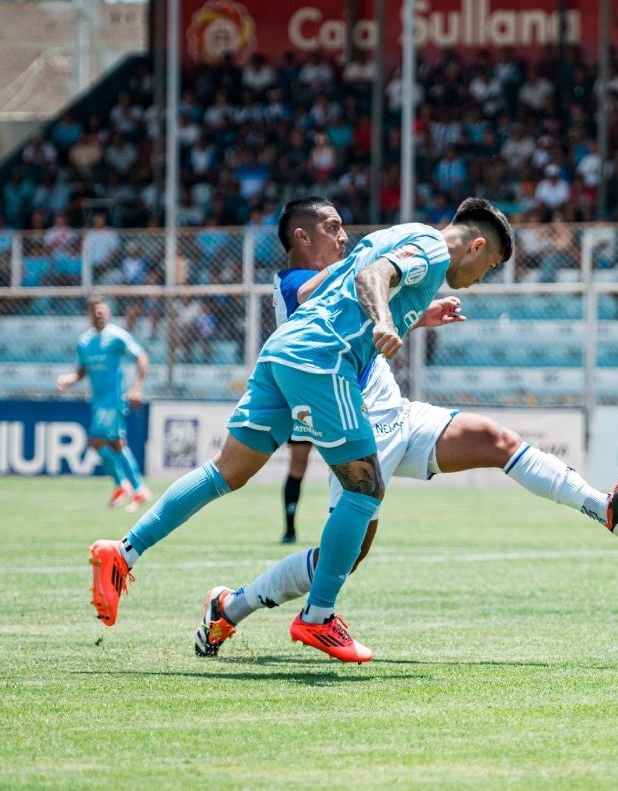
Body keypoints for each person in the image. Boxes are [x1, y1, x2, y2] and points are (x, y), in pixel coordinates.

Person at [87, 196, 513, 663]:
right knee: (365, 489)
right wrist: (384, 320)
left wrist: (408, 313)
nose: (481, 278)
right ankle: (318, 616)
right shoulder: (431, 248)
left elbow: (315, 291)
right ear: (476, 246)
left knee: (225, 471)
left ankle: (123, 551)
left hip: (283, 350)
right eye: (489, 266)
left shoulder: (398, 234)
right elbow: (372, 278)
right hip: (324, 360)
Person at [194, 352, 618, 657]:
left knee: (497, 440)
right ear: (303, 240)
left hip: (400, 415)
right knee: (346, 557)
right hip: (357, 428)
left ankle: (605, 509)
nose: (342, 239)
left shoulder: (350, 270)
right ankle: (232, 607)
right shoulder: (303, 285)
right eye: (331, 231)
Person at [57, 297, 152, 511]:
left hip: (114, 399)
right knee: (116, 444)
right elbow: (82, 370)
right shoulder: (84, 342)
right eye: (95, 310)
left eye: (102, 310)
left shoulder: (117, 336)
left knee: (96, 441)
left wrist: (137, 387)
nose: (99, 314)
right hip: (98, 401)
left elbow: (141, 357)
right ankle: (138, 489)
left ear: (108, 312)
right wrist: (69, 379)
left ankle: (124, 485)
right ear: (89, 313)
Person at [270, 250, 328, 545]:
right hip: (308, 388)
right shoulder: (299, 282)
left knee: (341, 463)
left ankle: (338, 528)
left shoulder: (291, 282)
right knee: (299, 464)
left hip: (319, 385)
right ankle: (290, 528)